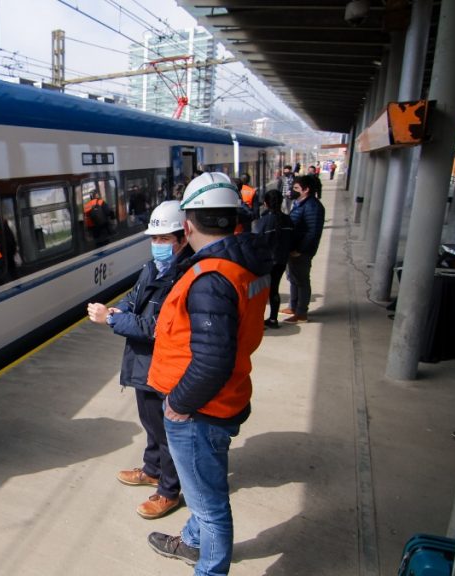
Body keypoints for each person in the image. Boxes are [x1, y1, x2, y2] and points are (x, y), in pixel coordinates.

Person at [146, 172, 272, 576]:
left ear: (187, 224)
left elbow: (212, 359)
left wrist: (177, 405)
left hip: (202, 408)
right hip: (227, 393)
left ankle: (210, 568)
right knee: (204, 488)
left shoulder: (211, 278)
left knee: (210, 503)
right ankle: (193, 541)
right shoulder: (245, 262)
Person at [86, 201, 191, 520]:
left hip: (164, 364)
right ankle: (152, 469)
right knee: (150, 423)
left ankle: (169, 491)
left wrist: (112, 320)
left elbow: (158, 328)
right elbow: (134, 299)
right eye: (154, 239)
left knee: (165, 429)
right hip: (144, 363)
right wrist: (118, 309)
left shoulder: (183, 276)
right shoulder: (153, 268)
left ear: (182, 239)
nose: (157, 245)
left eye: (164, 240)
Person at [282, 175, 325, 324]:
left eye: (296, 188)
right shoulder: (300, 203)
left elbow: (312, 233)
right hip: (294, 248)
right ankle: (293, 307)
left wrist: (300, 250)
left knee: (302, 281)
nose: (292, 191)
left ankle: (301, 313)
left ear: (306, 190)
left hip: (301, 251)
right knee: (293, 278)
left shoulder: (313, 207)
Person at [253, 188, 294, 328]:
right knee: (274, 289)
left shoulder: (263, 222)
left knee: (262, 293)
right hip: (282, 260)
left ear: (265, 203)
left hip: (266, 262)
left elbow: (255, 241)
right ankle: (273, 320)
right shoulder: (288, 220)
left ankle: (259, 321)